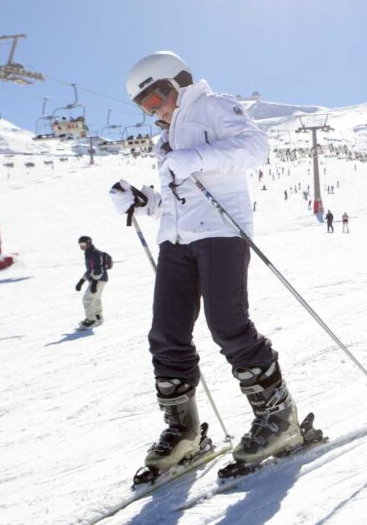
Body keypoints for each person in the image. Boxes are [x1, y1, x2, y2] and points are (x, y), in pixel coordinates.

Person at [109, 50, 303, 481]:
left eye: (155, 99)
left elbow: (255, 148)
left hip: (221, 232)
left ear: (177, 82)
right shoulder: (164, 140)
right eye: (145, 107)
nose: (154, 111)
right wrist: (143, 201)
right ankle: (184, 432)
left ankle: (278, 416)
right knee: (166, 334)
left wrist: (197, 157)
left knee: (228, 326)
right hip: (176, 240)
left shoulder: (214, 107)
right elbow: (176, 199)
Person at [75, 235, 108, 329]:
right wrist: (82, 280)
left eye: (83, 244)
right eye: (80, 244)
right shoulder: (89, 253)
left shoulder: (94, 253)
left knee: (87, 299)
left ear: (88, 243)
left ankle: (90, 320)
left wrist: (94, 282)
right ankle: (98, 317)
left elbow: (98, 269)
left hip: (98, 278)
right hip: (101, 278)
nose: (81, 246)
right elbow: (90, 270)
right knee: (96, 298)